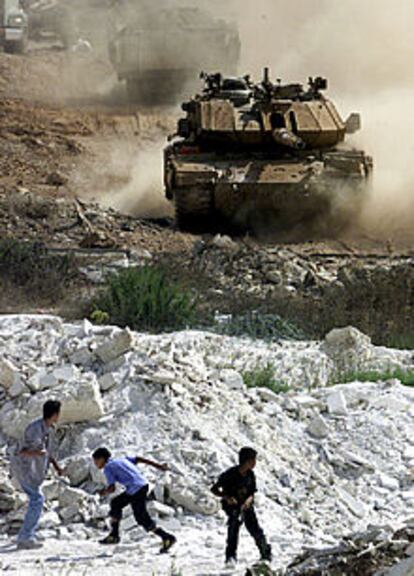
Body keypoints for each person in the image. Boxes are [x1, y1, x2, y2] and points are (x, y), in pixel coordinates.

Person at [92, 447, 176, 553]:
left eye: (96, 461)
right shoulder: (121, 459)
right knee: (116, 503)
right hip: (142, 485)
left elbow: (112, 488)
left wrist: (102, 492)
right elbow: (139, 459)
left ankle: (167, 537)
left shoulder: (108, 467)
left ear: (102, 459)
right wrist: (158, 466)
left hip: (136, 490)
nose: (95, 464)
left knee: (141, 518)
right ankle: (114, 535)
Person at [11, 400, 64, 550]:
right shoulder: (34, 429)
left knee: (36, 500)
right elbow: (21, 452)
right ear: (55, 414)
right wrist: (36, 453)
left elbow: (48, 452)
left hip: (35, 472)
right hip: (24, 469)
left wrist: (57, 467)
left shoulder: (49, 429)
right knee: (37, 500)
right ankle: (25, 537)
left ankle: (28, 534)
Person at [211, 447, 272, 567]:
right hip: (233, 507)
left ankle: (266, 554)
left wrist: (249, 501)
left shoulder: (250, 475)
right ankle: (230, 557)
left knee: (255, 529)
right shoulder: (230, 474)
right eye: (253, 460)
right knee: (233, 530)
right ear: (247, 461)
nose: (255, 463)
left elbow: (252, 493)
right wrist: (227, 497)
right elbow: (214, 489)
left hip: (246, 507)